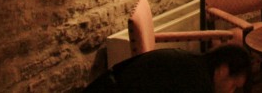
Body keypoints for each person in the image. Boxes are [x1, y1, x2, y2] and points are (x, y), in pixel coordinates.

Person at [83, 44, 251, 93]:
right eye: (233, 86)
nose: (231, 92)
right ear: (222, 70)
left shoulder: (196, 63)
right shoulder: (198, 83)